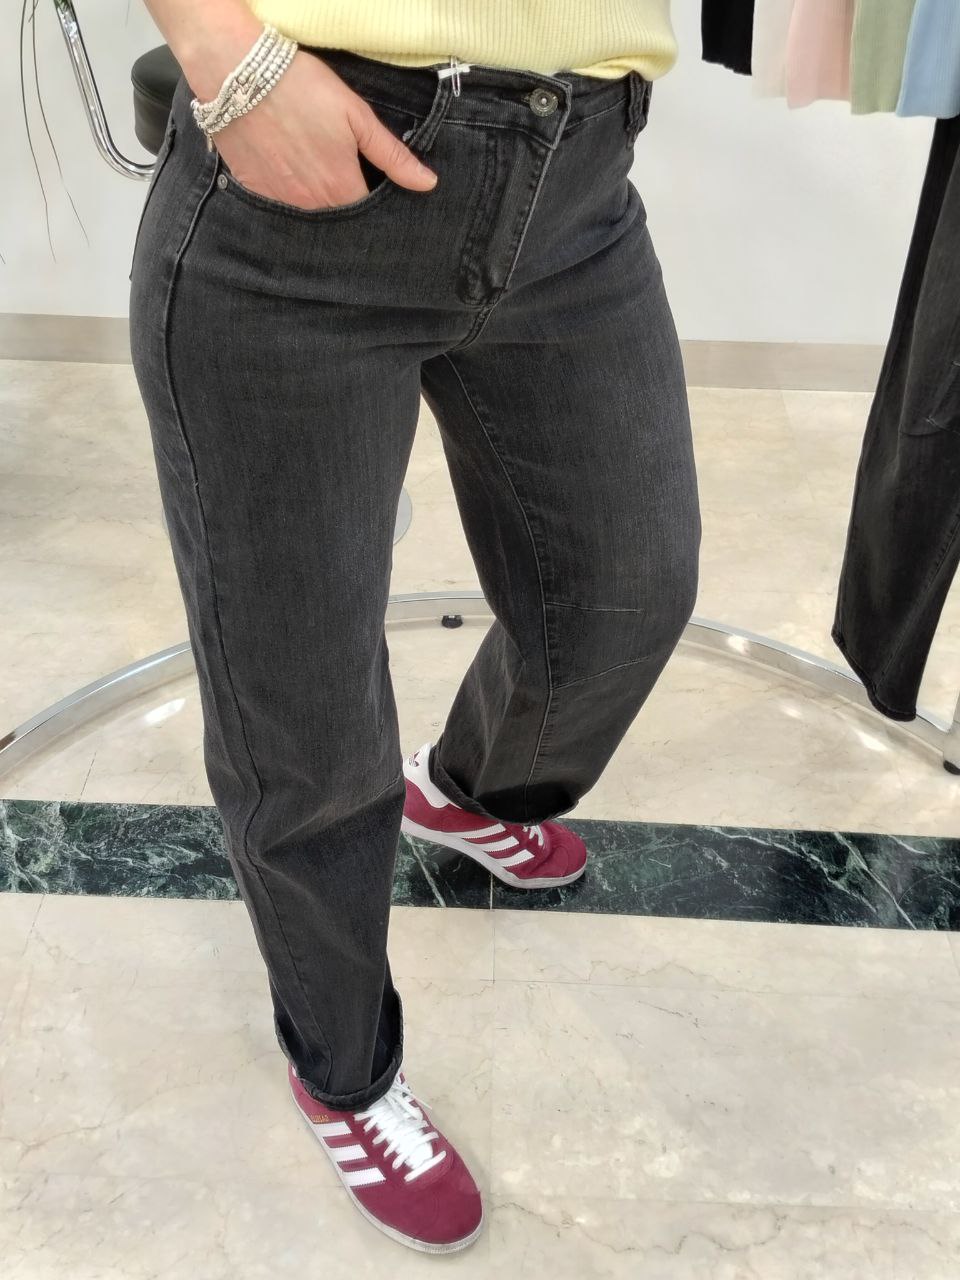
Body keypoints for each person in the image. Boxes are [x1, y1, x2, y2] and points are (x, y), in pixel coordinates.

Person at [129, 0, 700, 1254]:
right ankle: (343, 1069)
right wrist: (225, 56)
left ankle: (473, 790)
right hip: (302, 188)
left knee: (624, 592)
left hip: (576, 172)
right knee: (304, 708)